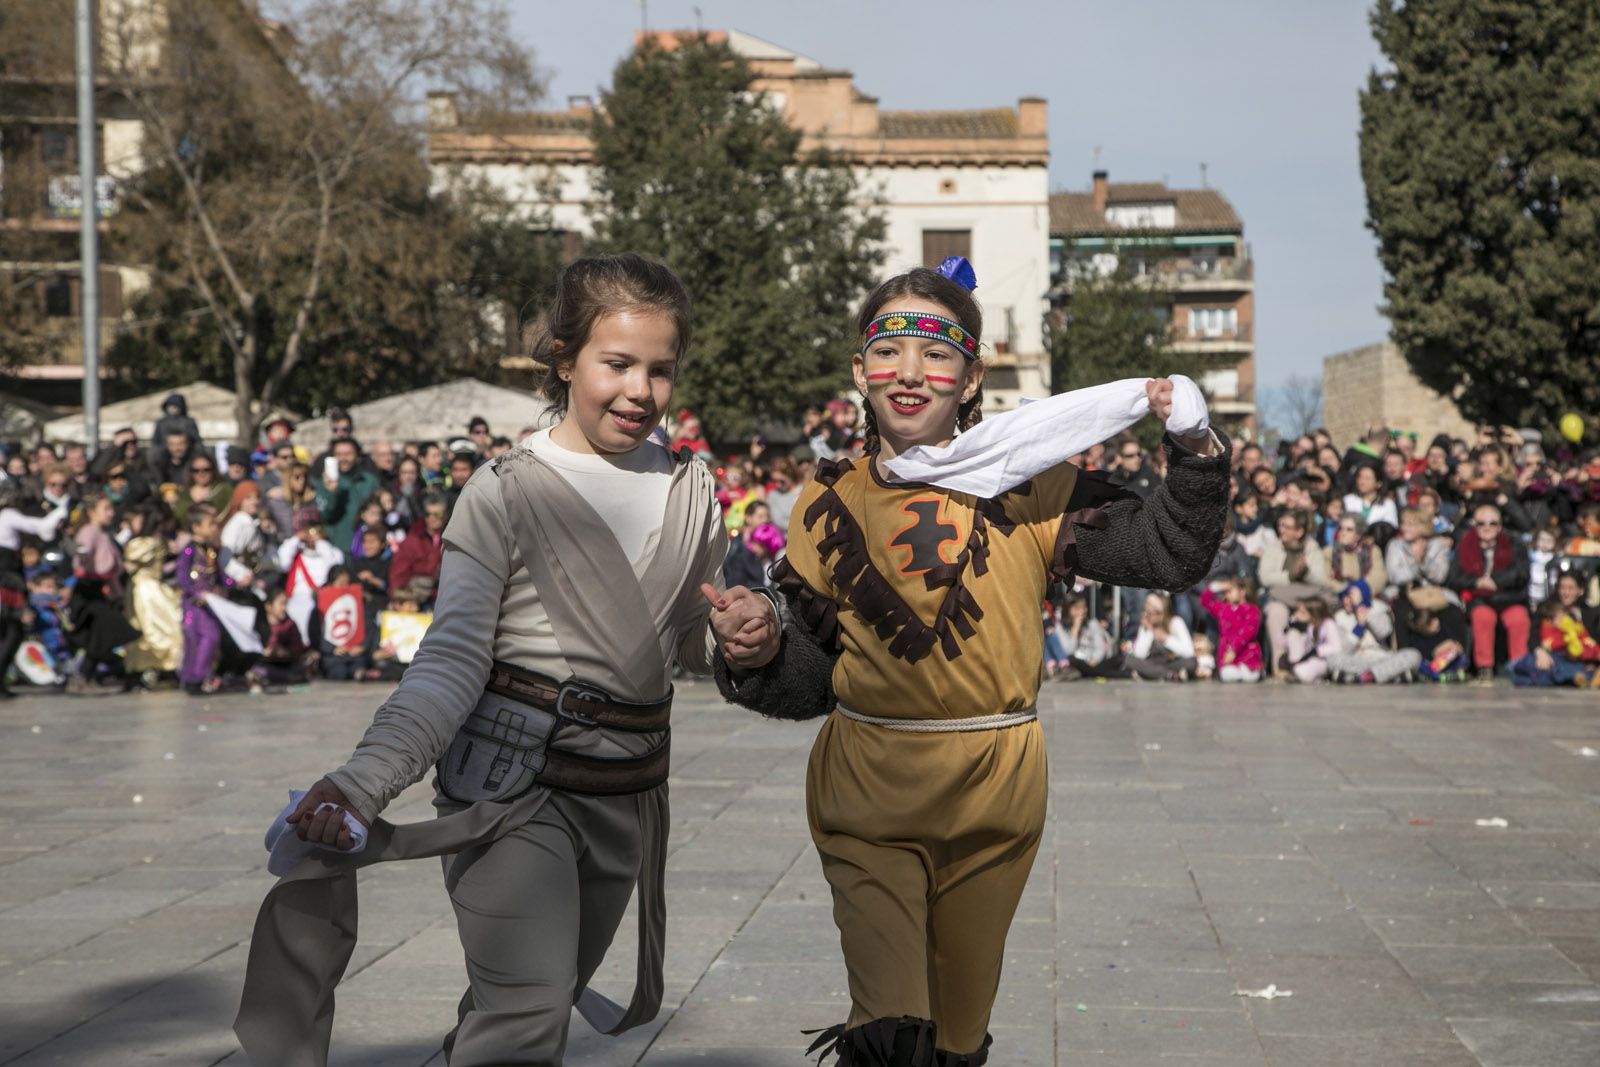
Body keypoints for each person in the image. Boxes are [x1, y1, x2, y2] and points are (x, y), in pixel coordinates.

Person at [238, 253, 780, 1066]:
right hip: (510, 788)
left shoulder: (694, 491)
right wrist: (362, 780)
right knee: (526, 1013)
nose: (640, 390)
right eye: (617, 364)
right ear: (564, 360)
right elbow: (452, 658)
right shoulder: (502, 489)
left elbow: (676, 646)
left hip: (627, 795)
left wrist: (747, 633)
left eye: (661, 370)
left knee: (524, 1006)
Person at [712, 263, 1227, 1064]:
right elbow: (812, 676)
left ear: (973, 374)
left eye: (937, 352)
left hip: (996, 794)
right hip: (868, 790)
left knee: (956, 1039)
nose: (911, 373)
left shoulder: (1035, 485)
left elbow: (1169, 552)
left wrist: (1195, 452)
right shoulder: (826, 501)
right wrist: (763, 645)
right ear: (859, 369)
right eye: (889, 348)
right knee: (891, 1033)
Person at [1447, 503, 1530, 682]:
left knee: (1518, 618)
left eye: (1493, 523)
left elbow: (1521, 574)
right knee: (1483, 617)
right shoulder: (1465, 544)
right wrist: (1477, 582)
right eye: (1481, 523)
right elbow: (1454, 577)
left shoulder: (1514, 543)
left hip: (1509, 597)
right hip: (1479, 598)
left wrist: (1496, 581)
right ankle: (1485, 667)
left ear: (1500, 526)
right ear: (1475, 525)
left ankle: (1520, 665)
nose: (1487, 528)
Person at [67, 493, 141, 693]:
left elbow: (111, 570)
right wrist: (81, 554)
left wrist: (116, 593)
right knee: (105, 632)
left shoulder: (103, 533)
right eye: (106, 509)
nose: (111, 513)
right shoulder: (89, 531)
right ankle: (83, 676)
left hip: (99, 590)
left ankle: (84, 677)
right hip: (87, 589)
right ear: (92, 512)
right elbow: (83, 552)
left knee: (100, 636)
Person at [0, 486, 69, 697]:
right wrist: (59, 512)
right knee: (11, 634)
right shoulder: (7, 516)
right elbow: (39, 526)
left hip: (8, 580)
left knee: (10, 633)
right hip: (5, 582)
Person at [1259, 510, 1330, 676]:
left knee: (1318, 609)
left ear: (1299, 532)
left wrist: (1305, 571)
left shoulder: (1312, 548)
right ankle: (1280, 666)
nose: (1281, 530)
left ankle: (1313, 664)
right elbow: (1265, 578)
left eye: (1287, 527)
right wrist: (1290, 575)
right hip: (1280, 598)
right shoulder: (1274, 547)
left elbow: (1321, 579)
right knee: (1276, 611)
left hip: (1306, 599)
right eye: (1281, 525)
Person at [122, 505, 183, 683]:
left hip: (156, 587)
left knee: (167, 625)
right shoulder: (143, 543)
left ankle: (165, 667)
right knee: (152, 628)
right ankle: (151, 666)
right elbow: (129, 563)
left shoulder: (158, 540)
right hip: (145, 590)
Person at [177, 505, 230, 694]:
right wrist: (195, 594)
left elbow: (219, 575)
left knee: (211, 638)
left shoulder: (210, 550)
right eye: (210, 524)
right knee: (195, 640)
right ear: (196, 527)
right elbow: (182, 576)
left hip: (210, 604)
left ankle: (200, 676)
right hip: (194, 605)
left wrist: (231, 584)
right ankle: (192, 678)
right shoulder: (189, 551)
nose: (214, 527)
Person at [1326, 580, 1421, 684]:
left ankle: (1365, 676)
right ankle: (1392, 677)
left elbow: (1384, 632)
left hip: (1382, 658)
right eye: (1343, 597)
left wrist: (1364, 612)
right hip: (1357, 659)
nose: (1345, 600)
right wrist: (1359, 626)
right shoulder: (1340, 617)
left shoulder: (1378, 608)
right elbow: (1344, 649)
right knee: (1331, 659)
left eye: (1349, 596)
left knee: (1414, 655)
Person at [315, 438, 381, 559]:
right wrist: (331, 492)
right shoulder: (324, 483)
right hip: (337, 548)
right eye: (339, 454)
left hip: (367, 547)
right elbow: (324, 515)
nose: (343, 459)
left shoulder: (369, 481)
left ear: (357, 456)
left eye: (348, 454)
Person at [1200, 575, 1263, 682]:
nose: (1226, 594)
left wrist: (1233, 649)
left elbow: (1248, 631)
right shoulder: (1223, 609)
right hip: (1228, 657)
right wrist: (1217, 586)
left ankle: (1251, 671)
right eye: (1225, 591)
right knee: (1227, 674)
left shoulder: (1252, 610)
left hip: (1246, 653)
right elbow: (1205, 601)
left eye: (1230, 590)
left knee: (1250, 676)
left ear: (1242, 591)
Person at [1124, 590, 1198, 681]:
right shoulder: (1146, 626)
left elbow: (1189, 652)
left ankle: (1152, 674)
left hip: (1171, 662)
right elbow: (1139, 655)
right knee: (1129, 660)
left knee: (1192, 662)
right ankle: (1169, 675)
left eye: (1152, 613)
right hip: (1152, 662)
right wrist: (1149, 631)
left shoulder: (1176, 622)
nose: (1148, 615)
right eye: (1146, 611)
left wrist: (1166, 639)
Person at [1283, 596, 1340, 683]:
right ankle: (1296, 669)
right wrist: (1291, 624)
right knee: (1292, 635)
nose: (1297, 615)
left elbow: (1336, 647)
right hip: (1307, 658)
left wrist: (1317, 651)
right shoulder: (1309, 625)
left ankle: (1307, 674)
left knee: (1301, 671)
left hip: (1323, 660)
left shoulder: (1328, 624)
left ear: (1314, 614)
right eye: (1297, 611)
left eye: (1302, 612)